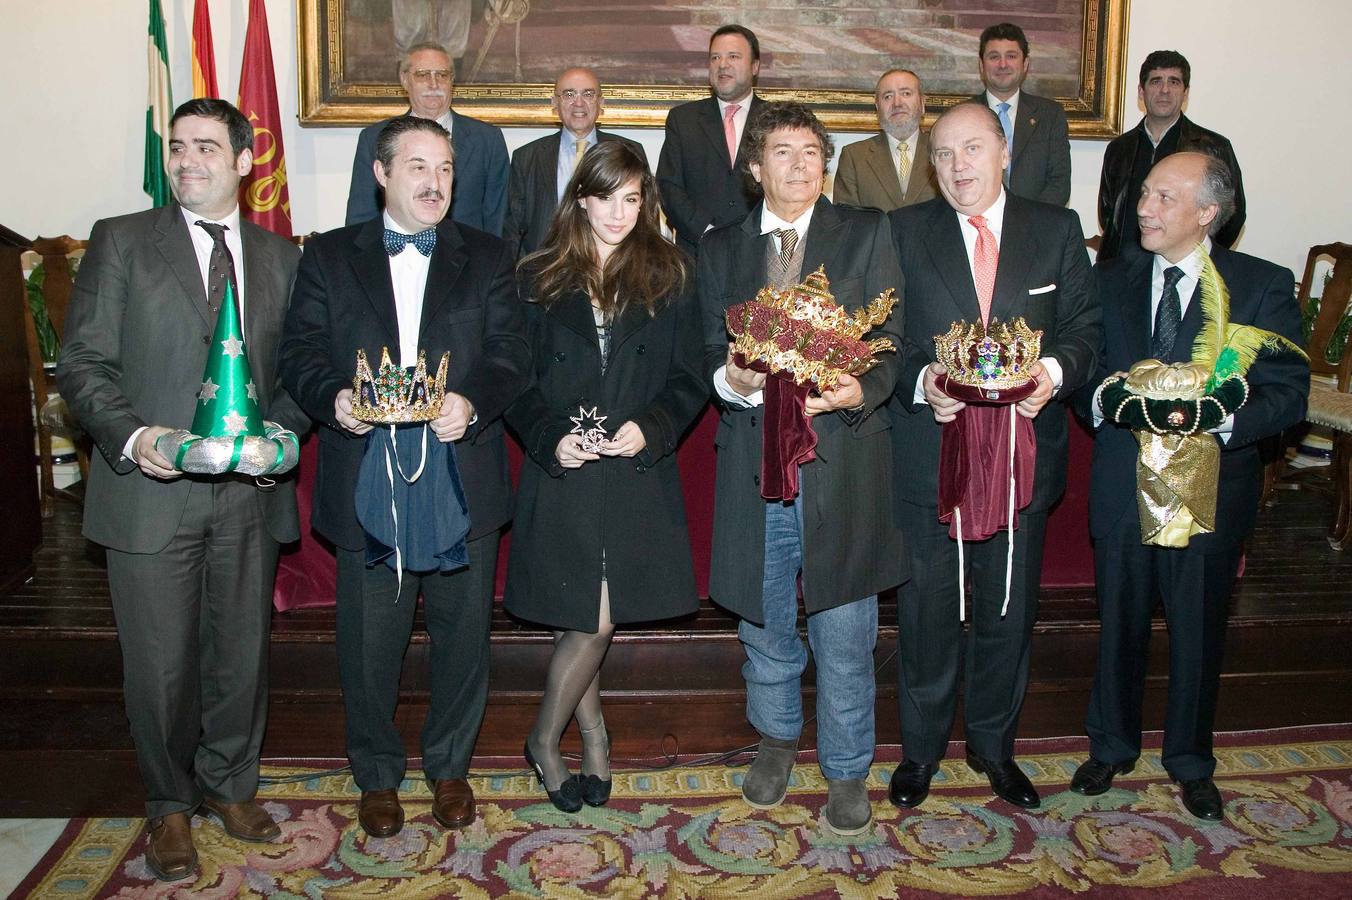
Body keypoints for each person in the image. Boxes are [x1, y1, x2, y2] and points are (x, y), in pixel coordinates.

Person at [56, 98, 306, 882]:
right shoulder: (122, 241)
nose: (187, 160)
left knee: (240, 656)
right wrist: (137, 440)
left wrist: (280, 436)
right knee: (160, 668)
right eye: (176, 147)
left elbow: (297, 374)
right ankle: (168, 805)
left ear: (244, 161)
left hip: (248, 496)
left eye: (205, 147)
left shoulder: (282, 257)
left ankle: (230, 786)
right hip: (151, 495)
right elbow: (82, 365)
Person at [280, 115, 529, 838]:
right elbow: (298, 351)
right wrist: (332, 399)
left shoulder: (489, 256)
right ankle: (377, 775)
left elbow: (513, 353)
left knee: (462, 637)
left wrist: (471, 402)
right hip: (366, 473)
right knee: (369, 643)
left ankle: (450, 768)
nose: (434, 182)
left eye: (445, 168)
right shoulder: (329, 255)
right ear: (381, 173)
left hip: (461, 472)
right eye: (417, 166)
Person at [1070, 152, 1307, 820]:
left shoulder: (1260, 284)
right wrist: (1107, 400)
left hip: (1211, 493)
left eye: (1164, 198)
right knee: (1119, 625)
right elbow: (1082, 370)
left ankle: (1191, 760)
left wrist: (1221, 417)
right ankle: (1111, 746)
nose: (1144, 209)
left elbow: (1288, 392)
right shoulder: (1107, 279)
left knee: (1199, 632)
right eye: (1145, 194)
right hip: (1123, 487)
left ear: (1208, 212)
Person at [698, 101, 906, 836]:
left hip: (841, 459)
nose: (799, 165)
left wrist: (860, 388)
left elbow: (895, 340)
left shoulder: (867, 232)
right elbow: (703, 353)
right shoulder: (720, 247)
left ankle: (847, 766)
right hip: (753, 463)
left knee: (845, 629)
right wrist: (732, 380)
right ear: (756, 168)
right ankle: (777, 740)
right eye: (782, 152)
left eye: (811, 152)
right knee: (764, 623)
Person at [887, 102, 1099, 812]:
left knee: (1007, 613)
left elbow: (1085, 328)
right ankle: (920, 752)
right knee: (928, 615)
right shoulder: (903, 230)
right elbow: (882, 335)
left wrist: (1053, 375)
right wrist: (922, 380)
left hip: (1021, 459)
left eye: (973, 148)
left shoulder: (1056, 228)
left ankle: (994, 748)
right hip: (931, 459)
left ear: (1004, 151)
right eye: (944, 154)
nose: (959, 167)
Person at [504, 141, 706, 811]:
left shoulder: (672, 274)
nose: (620, 212)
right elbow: (515, 380)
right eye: (607, 197)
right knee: (579, 613)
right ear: (581, 200)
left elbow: (690, 376)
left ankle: (549, 738)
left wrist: (653, 425)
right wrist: (548, 439)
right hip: (564, 467)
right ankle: (584, 737)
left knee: (594, 618)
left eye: (632, 199)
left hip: (633, 469)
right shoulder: (535, 277)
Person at [345, 41, 510, 235]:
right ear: (404, 80)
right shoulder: (373, 138)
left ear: (452, 81)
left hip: (469, 253)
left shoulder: (487, 140)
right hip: (394, 252)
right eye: (423, 75)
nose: (434, 84)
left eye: (442, 75)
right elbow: (360, 219)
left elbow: (499, 220)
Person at [1097, 51, 1246, 261]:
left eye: (1174, 82)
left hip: (1184, 269)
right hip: (1123, 267)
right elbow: (1107, 214)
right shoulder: (1119, 148)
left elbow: (1231, 217)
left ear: (1185, 93)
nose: (1164, 90)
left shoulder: (1213, 148)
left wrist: (1196, 261)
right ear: (1141, 91)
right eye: (1156, 81)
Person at [504, 67, 648, 258]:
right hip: (545, 267)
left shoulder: (630, 151)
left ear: (601, 102)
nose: (578, 103)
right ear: (554, 102)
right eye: (569, 94)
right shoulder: (527, 157)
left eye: (588, 94)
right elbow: (513, 229)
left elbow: (646, 220)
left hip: (615, 265)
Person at [658, 24, 765, 256]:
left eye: (733, 56)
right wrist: (707, 233)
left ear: (755, 66)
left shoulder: (775, 120)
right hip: (697, 253)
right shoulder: (683, 120)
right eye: (715, 57)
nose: (722, 64)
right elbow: (669, 187)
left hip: (761, 251)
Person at [972, 22, 1070, 207]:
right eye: (994, 57)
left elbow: (1059, 184)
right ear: (981, 65)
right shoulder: (961, 116)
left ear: (1025, 64)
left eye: (1011, 56)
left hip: (1036, 221)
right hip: (975, 220)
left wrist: (1028, 221)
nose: (1002, 64)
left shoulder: (1050, 115)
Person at [833, 69, 937, 211]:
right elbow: (846, 219)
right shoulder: (854, 157)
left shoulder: (941, 150)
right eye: (888, 96)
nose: (897, 103)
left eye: (906, 93)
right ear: (877, 107)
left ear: (922, 103)